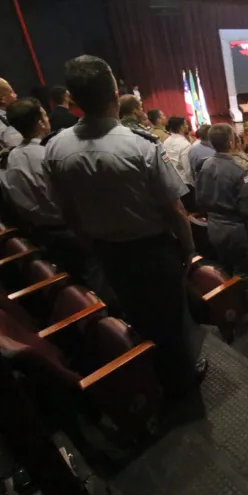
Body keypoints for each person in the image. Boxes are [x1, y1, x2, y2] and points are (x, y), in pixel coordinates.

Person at [43, 55, 205, 396]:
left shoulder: (55, 147)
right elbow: (174, 208)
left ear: (71, 99)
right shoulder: (140, 146)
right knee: (171, 317)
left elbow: (65, 209)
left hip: (105, 250)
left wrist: (92, 243)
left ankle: (151, 370)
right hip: (152, 249)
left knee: (133, 308)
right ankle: (180, 382)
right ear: (116, 94)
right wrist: (188, 247)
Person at [0, 97, 119, 310]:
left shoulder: (11, 157)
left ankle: (94, 310)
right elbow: (73, 197)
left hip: (42, 230)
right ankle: (112, 318)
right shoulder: (49, 156)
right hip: (70, 229)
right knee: (96, 276)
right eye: (45, 115)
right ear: (40, 122)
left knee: (75, 276)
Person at [194, 123, 248, 309]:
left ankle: (230, 300)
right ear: (232, 142)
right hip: (236, 229)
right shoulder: (240, 172)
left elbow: (199, 199)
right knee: (242, 270)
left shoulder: (204, 165)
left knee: (226, 265)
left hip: (214, 226)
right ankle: (242, 302)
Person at [162, 117, 195, 208]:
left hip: (172, 180)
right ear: (181, 127)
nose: (187, 126)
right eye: (185, 124)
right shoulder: (184, 144)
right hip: (186, 184)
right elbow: (187, 168)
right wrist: (194, 185)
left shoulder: (166, 142)